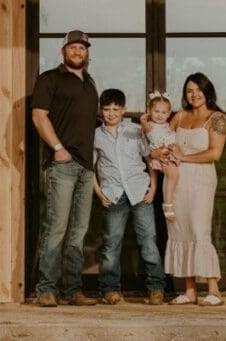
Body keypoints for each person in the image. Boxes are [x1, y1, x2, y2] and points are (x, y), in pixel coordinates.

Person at [30, 29, 100, 307]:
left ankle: (72, 290)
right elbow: (38, 117)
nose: (78, 52)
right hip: (63, 165)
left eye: (82, 48)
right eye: (73, 47)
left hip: (86, 166)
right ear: (63, 51)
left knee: (78, 231)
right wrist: (58, 149)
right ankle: (46, 288)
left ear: (87, 53)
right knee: (56, 227)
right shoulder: (50, 79)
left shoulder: (90, 83)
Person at [158, 72, 226, 307]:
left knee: (199, 230)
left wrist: (183, 156)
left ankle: (213, 290)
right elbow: (162, 139)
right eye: (189, 90)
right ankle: (189, 291)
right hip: (175, 182)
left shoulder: (216, 118)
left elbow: (214, 154)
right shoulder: (179, 116)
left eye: (198, 89)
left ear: (207, 91)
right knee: (180, 231)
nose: (194, 94)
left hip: (200, 180)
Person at [92, 88, 166, 305]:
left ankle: (156, 287)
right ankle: (110, 289)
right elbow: (91, 166)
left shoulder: (135, 131)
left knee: (148, 240)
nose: (111, 113)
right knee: (111, 243)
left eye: (116, 109)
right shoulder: (96, 136)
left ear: (123, 110)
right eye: (107, 109)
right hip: (113, 194)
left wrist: (153, 188)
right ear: (100, 111)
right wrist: (98, 192)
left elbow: (150, 158)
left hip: (140, 191)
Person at [141, 91, 180, 221]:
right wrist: (143, 121)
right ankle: (168, 205)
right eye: (156, 111)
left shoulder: (167, 126)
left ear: (169, 114)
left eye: (164, 113)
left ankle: (171, 202)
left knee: (174, 177)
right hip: (160, 156)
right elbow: (146, 130)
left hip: (169, 154)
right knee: (173, 174)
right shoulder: (150, 125)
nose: (159, 115)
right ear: (149, 111)